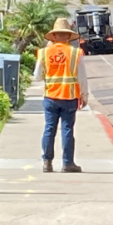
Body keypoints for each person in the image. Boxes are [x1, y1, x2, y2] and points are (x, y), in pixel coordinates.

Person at [34, 18, 88, 173]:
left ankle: (47, 162)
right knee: (67, 130)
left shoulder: (44, 52)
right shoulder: (75, 53)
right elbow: (82, 78)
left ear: (54, 36)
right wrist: (84, 97)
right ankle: (67, 163)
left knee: (49, 128)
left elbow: (37, 76)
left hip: (50, 97)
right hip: (69, 98)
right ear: (68, 37)